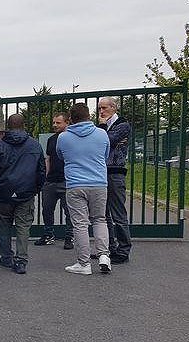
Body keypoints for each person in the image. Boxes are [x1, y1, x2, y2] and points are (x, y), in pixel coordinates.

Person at [0, 114, 46, 274]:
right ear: (23, 125)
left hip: (3, 193)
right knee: (23, 227)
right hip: (25, 193)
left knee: (4, 226)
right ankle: (21, 260)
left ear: (7, 126)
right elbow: (41, 171)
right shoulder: (34, 145)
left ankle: (6, 256)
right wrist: (36, 188)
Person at [56, 103, 111, 275]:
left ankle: (84, 263)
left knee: (80, 224)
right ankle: (104, 256)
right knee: (100, 220)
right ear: (89, 116)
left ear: (71, 119)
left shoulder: (63, 137)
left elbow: (60, 155)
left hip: (75, 184)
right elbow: (105, 155)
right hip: (99, 183)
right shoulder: (102, 134)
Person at [97, 97, 132, 264]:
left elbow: (106, 141)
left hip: (116, 173)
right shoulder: (102, 126)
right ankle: (108, 248)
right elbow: (98, 144)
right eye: (99, 109)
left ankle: (124, 250)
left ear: (113, 107)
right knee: (103, 215)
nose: (101, 112)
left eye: (104, 108)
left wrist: (103, 127)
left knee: (118, 213)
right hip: (102, 173)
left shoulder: (123, 125)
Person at [35, 112, 73, 249]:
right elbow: (48, 158)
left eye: (58, 123)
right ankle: (48, 235)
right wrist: (46, 176)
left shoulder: (72, 138)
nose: (55, 125)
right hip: (51, 181)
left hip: (67, 180)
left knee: (69, 211)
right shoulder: (51, 139)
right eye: (54, 122)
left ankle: (69, 237)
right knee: (47, 210)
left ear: (67, 123)